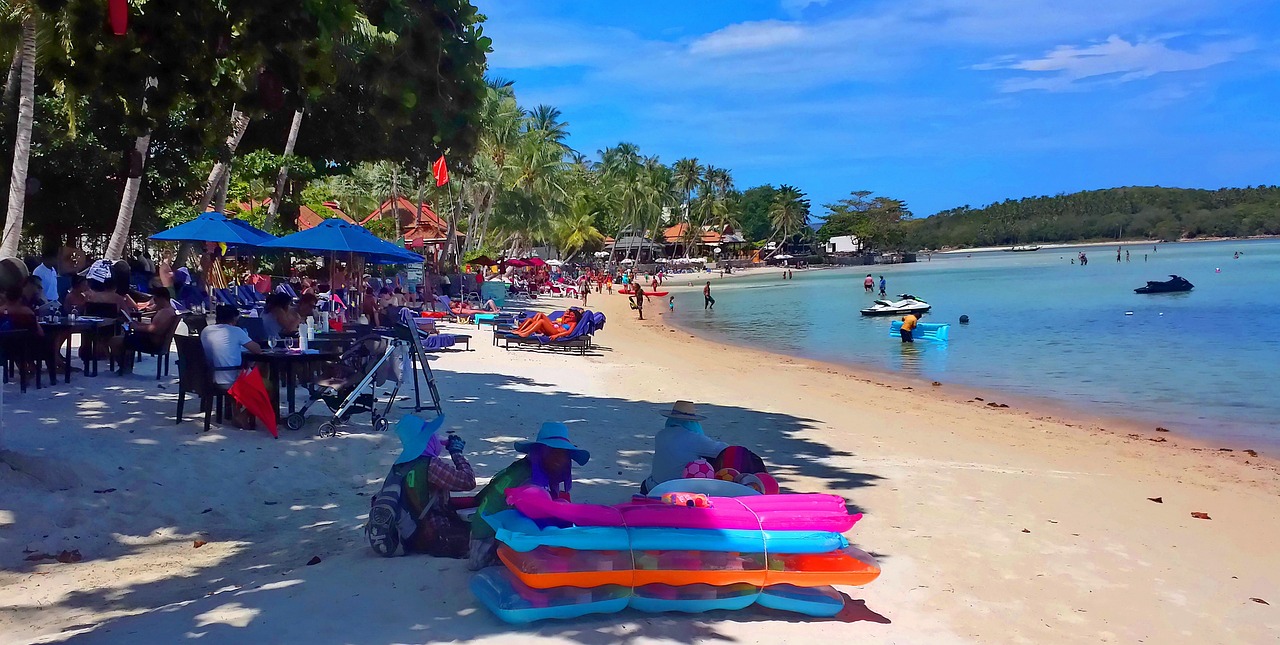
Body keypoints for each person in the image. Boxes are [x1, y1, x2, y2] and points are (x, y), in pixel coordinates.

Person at [467, 422, 590, 570]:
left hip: (487, 538)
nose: (560, 459)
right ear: (540, 452)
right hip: (485, 550)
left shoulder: (531, 469)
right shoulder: (530, 480)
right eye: (553, 452)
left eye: (563, 454)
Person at [367, 415, 476, 558]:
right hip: (435, 535)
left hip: (411, 536)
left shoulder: (400, 466)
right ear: (426, 439)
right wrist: (456, 454)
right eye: (432, 435)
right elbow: (468, 481)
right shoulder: (430, 465)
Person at [642, 401, 727, 494]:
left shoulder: (661, 434)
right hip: (677, 491)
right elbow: (723, 450)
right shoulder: (694, 438)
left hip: (652, 487)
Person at [201, 305, 262, 408]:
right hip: (229, 378)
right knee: (267, 385)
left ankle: (236, 410)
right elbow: (257, 350)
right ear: (234, 319)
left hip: (208, 376)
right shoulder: (236, 331)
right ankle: (243, 414)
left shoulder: (206, 330)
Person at [109, 286, 179, 374]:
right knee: (125, 337)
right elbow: (155, 326)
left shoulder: (164, 312)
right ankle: (126, 365)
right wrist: (137, 323)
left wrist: (136, 327)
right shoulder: (169, 311)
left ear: (161, 298)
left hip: (151, 343)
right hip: (154, 340)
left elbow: (154, 329)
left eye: (155, 299)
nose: (155, 302)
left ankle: (123, 366)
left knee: (114, 341)